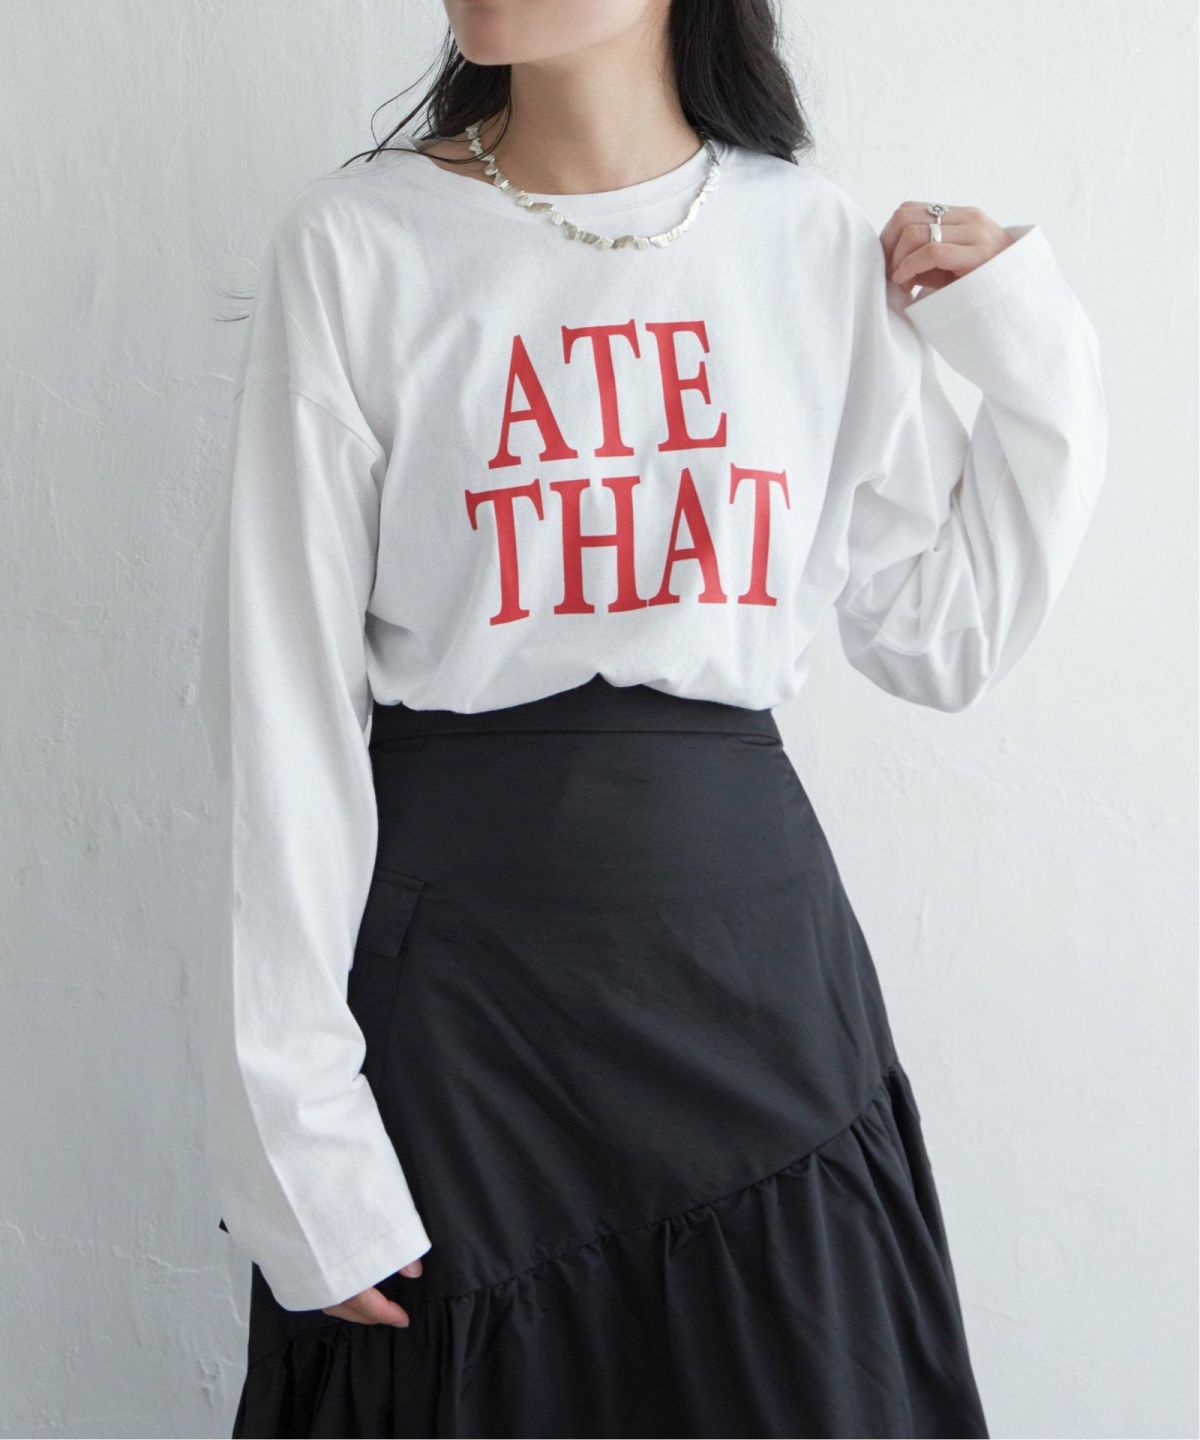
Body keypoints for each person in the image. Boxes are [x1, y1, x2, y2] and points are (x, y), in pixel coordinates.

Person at [200, 1, 1107, 1434]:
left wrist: (1029, 345)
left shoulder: (807, 242)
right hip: (461, 1031)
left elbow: (943, 634)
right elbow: (279, 712)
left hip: (758, 1004)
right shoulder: (358, 247)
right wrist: (297, 1136)